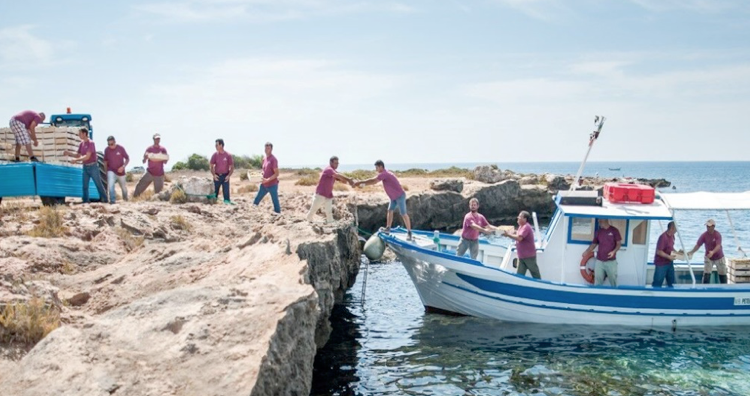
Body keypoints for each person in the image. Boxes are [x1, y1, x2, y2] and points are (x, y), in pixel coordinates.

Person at [355, 160, 413, 239]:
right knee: (390, 210)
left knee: (403, 214)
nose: (376, 170)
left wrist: (361, 183)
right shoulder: (385, 173)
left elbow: (373, 181)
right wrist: (362, 183)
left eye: (377, 167)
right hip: (393, 197)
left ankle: (409, 232)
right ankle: (388, 228)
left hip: (400, 196)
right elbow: (374, 181)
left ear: (381, 167)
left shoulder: (384, 174)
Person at [306, 156, 354, 223]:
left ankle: (330, 222)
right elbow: (338, 175)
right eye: (335, 163)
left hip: (328, 194)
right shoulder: (329, 169)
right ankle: (309, 221)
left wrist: (352, 183)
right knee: (314, 209)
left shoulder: (333, 171)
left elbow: (340, 179)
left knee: (329, 211)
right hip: (321, 193)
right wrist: (349, 179)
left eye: (337, 163)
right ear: (330, 162)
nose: (337, 165)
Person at [64, 128, 107, 203]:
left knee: (98, 184)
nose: (79, 135)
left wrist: (76, 160)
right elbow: (78, 155)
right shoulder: (81, 144)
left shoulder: (91, 143)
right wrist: (69, 153)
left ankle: (105, 199)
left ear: (84, 134)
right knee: (85, 186)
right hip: (85, 167)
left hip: (93, 167)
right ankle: (86, 201)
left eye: (80, 133)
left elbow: (87, 156)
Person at [582, 219, 622, 287]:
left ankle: (615, 295)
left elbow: (619, 244)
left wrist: (613, 252)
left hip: (611, 261)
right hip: (599, 261)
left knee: (613, 280)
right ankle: (597, 295)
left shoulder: (614, 230)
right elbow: (594, 244)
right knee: (597, 280)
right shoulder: (598, 232)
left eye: (600, 221)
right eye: (598, 221)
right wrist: (586, 251)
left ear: (605, 220)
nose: (599, 222)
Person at [687, 219, 727, 284]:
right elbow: (698, 245)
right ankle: (704, 288)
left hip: (719, 256)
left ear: (713, 226)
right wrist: (691, 252)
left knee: (723, 274)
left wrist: (713, 252)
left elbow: (718, 246)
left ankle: (725, 288)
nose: (707, 228)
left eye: (709, 226)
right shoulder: (704, 235)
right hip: (708, 257)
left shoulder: (717, 235)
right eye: (707, 226)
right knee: (706, 274)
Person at [503, 211, 540, 279]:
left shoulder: (526, 227)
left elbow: (519, 238)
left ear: (525, 219)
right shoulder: (521, 226)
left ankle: (541, 286)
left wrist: (508, 235)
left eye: (520, 217)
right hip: (522, 257)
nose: (518, 218)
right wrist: (510, 232)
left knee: (535, 274)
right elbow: (518, 233)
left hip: (529, 257)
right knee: (519, 275)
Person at [253, 142, 280, 213]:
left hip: (272, 185)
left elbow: (277, 174)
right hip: (264, 185)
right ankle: (253, 213)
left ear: (271, 149)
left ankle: (279, 216)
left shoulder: (273, 159)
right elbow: (263, 170)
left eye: (268, 148)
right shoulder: (264, 159)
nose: (266, 149)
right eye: (265, 147)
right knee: (256, 200)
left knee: (275, 202)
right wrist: (258, 177)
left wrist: (267, 180)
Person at [103, 136, 130, 204]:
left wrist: (123, 167)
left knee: (123, 187)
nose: (110, 146)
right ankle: (112, 201)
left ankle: (125, 199)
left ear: (115, 142)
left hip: (121, 171)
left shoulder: (121, 148)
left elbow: (127, 158)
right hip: (111, 170)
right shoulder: (106, 150)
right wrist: (106, 172)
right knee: (111, 185)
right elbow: (105, 162)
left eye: (111, 144)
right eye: (108, 144)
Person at [653, 221, 679, 288]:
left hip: (669, 263)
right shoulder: (663, 237)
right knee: (657, 283)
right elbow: (659, 251)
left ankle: (671, 295)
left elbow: (670, 247)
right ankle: (655, 295)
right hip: (661, 264)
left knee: (672, 282)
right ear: (672, 228)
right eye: (676, 229)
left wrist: (678, 253)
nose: (677, 230)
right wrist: (668, 257)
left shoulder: (672, 236)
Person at [210, 139, 234, 204]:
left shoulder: (228, 155)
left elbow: (232, 167)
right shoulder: (214, 155)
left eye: (217, 145)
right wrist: (214, 175)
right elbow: (211, 167)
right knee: (215, 194)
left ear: (221, 145)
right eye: (215, 145)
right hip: (217, 176)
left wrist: (228, 176)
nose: (215, 146)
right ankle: (214, 204)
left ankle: (227, 203)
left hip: (225, 176)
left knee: (226, 194)